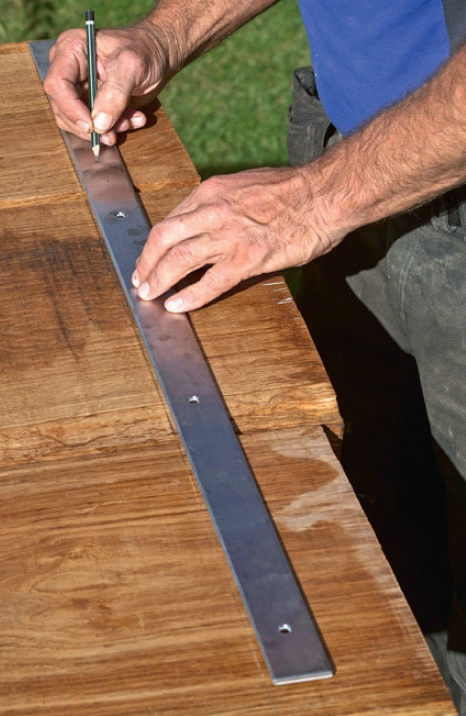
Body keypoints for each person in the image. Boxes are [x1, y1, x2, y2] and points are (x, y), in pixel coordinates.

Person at [44, 1, 466, 712]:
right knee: (369, 553)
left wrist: (317, 200)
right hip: (353, 165)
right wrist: (165, 33)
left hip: (385, 187)